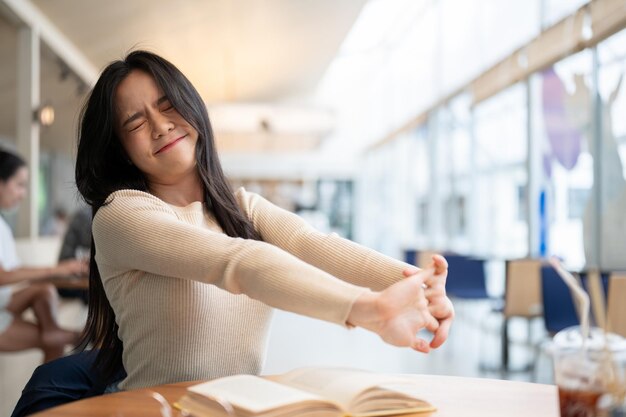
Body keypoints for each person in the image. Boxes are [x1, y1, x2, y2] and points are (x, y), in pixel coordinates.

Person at [12, 50, 454, 415]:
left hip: (230, 407)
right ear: (122, 149)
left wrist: (415, 284)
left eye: (167, 105)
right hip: (153, 407)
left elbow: (313, 245)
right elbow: (237, 262)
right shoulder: (121, 214)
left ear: (191, 107)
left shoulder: (242, 207)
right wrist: (369, 309)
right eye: (134, 122)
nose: (160, 125)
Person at [0, 150, 85, 363]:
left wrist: (61, 272)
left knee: (44, 290)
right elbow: (3, 276)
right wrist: (58, 269)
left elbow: (12, 275)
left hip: (4, 302)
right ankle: (79, 337)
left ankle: (55, 333)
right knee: (57, 340)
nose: (23, 193)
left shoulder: (3, 226)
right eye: (19, 185)